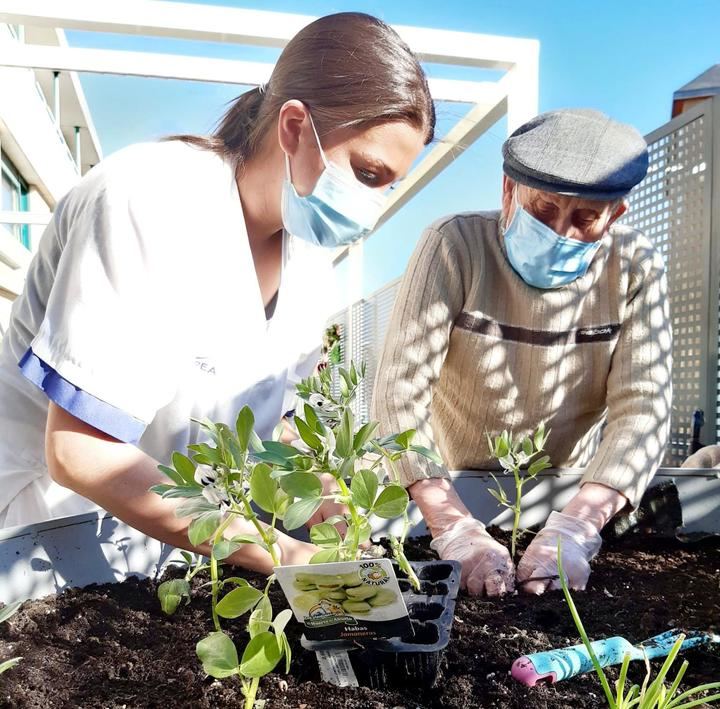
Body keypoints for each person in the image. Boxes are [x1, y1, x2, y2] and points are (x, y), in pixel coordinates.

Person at [0, 12, 435, 575]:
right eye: (368, 174)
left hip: (177, 551)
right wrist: (285, 552)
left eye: (391, 184)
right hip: (46, 543)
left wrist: (335, 513)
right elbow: (82, 451)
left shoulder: (308, 262)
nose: (375, 205)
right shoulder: (147, 198)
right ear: (295, 128)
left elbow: (279, 427)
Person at [372, 108, 672, 596]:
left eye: (585, 219)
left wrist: (575, 529)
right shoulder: (454, 244)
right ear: (508, 191)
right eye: (544, 210)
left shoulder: (634, 266)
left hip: (561, 491)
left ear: (614, 215)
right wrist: (454, 529)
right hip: (447, 484)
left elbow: (644, 408)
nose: (561, 233)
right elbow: (399, 393)